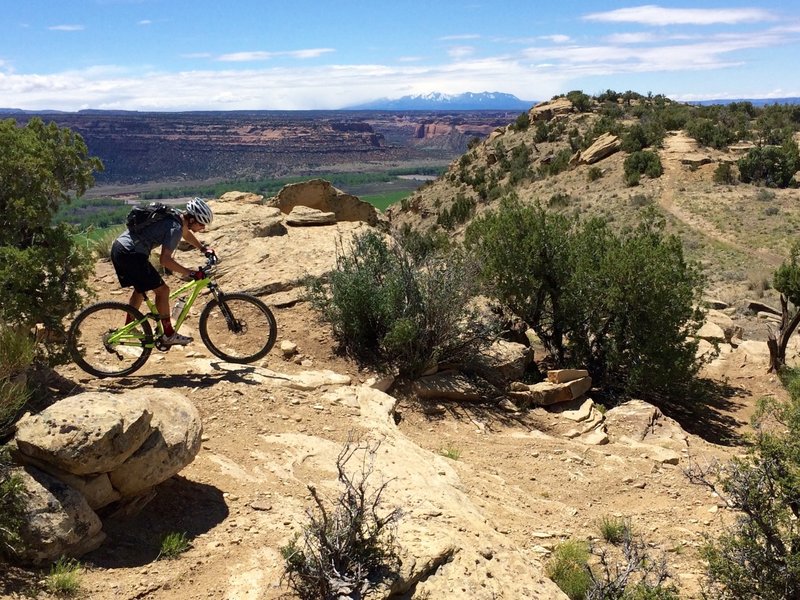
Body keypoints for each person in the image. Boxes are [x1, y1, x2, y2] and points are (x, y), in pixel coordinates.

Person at [110, 197, 215, 346]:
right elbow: (165, 260)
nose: (203, 228)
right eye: (201, 223)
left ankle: (129, 327)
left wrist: (203, 248)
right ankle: (168, 334)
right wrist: (190, 272)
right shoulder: (175, 228)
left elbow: (186, 234)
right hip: (131, 253)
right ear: (191, 220)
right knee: (163, 291)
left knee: (141, 289)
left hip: (120, 248)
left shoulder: (176, 216)